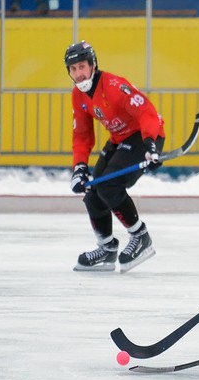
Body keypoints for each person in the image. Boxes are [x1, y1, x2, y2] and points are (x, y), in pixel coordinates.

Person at [65, 41, 164, 273]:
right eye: (73, 69)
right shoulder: (78, 96)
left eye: (82, 66)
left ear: (93, 65)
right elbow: (82, 134)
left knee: (109, 185)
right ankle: (107, 248)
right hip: (119, 140)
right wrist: (79, 167)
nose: (78, 74)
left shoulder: (114, 86)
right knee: (92, 191)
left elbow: (146, 112)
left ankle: (141, 237)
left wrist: (151, 144)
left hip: (144, 136)